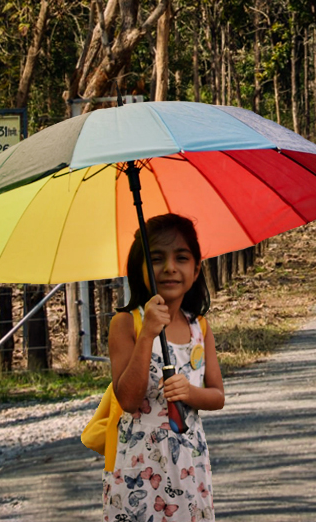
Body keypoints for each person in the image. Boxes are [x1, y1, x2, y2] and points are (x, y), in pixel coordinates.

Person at [104, 213, 225, 522]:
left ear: (196, 268)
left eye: (181, 258)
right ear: (141, 269)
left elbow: (217, 395)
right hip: (140, 467)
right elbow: (128, 400)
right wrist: (147, 333)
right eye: (157, 259)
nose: (170, 267)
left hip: (190, 461)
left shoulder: (200, 327)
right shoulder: (125, 324)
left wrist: (189, 393)